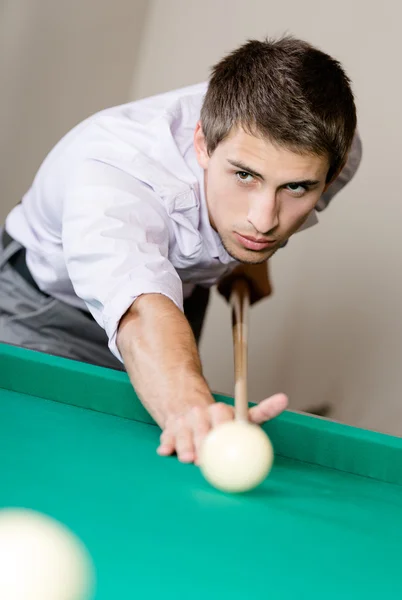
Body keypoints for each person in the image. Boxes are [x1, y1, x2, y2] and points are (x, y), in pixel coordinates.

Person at [0, 36, 361, 463]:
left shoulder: (339, 150)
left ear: (331, 172)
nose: (265, 220)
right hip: (47, 310)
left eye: (295, 187)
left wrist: (249, 256)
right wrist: (190, 405)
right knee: (42, 455)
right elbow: (141, 312)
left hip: (177, 293)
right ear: (203, 145)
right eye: (244, 175)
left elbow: (265, 220)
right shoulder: (113, 182)